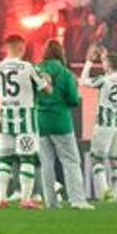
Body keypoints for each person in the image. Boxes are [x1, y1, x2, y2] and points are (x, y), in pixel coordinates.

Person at [0, 34, 50, 209]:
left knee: (4, 159)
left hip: (5, 118)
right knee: (27, 158)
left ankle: (1, 198)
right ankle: (25, 199)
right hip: (25, 119)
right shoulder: (27, 67)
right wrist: (46, 80)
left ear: (6, 48)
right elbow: (46, 90)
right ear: (21, 48)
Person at [35, 39, 92, 209]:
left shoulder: (36, 70)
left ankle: (51, 201)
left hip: (41, 122)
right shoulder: (65, 73)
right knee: (71, 161)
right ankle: (77, 200)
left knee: (46, 163)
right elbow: (74, 99)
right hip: (61, 121)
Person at [78, 45, 117, 202]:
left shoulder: (104, 80)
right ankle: (114, 196)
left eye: (105, 62)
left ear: (109, 64)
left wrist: (88, 62)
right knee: (116, 161)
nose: (103, 64)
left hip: (104, 124)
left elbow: (83, 81)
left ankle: (105, 193)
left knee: (97, 160)